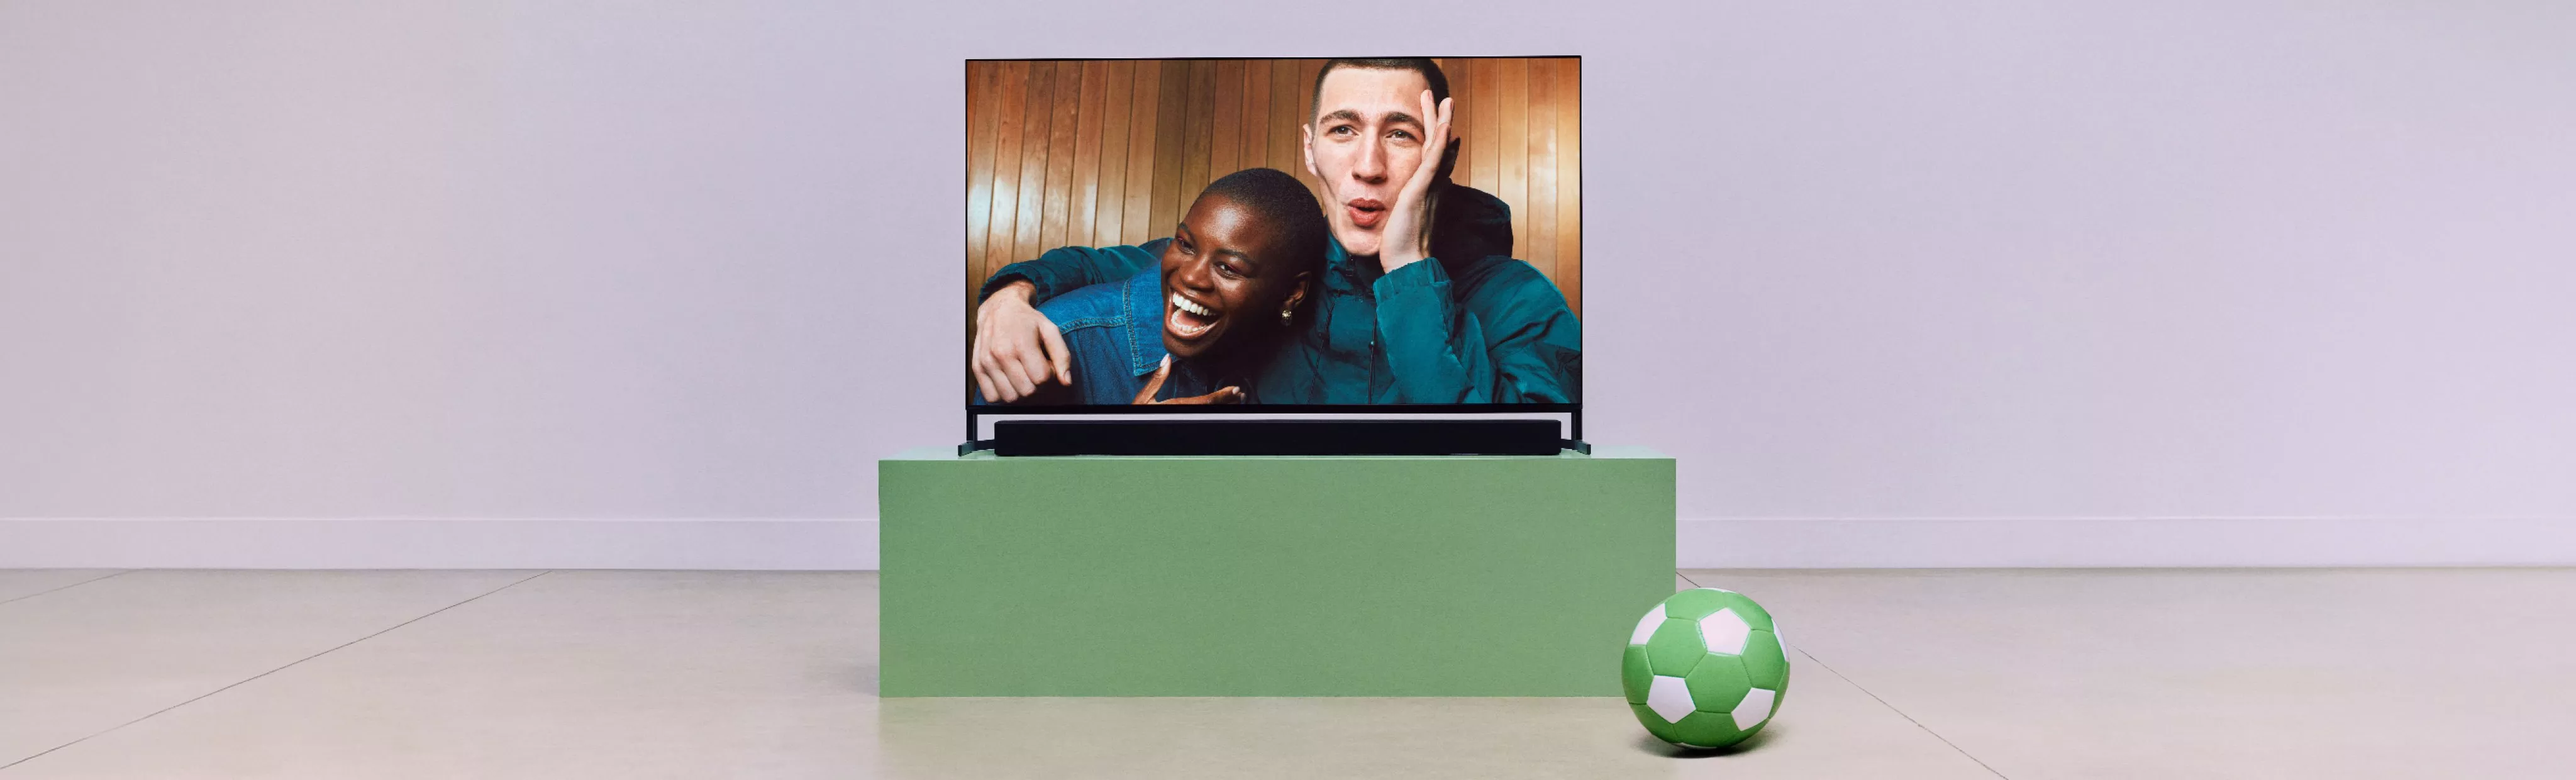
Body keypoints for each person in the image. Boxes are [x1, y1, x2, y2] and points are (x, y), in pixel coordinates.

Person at [970, 58, 1578, 406]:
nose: (1368, 165)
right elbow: (1132, 263)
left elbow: (1520, 482)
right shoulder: (1276, 259)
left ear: (1442, 157)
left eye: (1401, 134)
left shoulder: (1519, 301)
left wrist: (1409, 270)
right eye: (1343, 130)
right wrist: (1010, 295)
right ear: (1311, 150)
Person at [974, 167, 1328, 405]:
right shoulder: (1057, 344)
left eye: (1228, 268)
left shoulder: (1289, 347)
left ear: (1292, 293)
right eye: (1186, 245)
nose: (1191, 276)